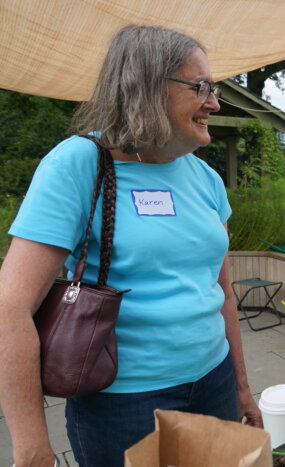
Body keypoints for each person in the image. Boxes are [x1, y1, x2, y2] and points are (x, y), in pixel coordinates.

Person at [0, 25, 262, 467]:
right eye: (201, 87)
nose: (214, 102)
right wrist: (31, 447)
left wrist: (239, 387)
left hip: (214, 379)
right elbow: (11, 307)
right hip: (124, 402)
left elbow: (224, 294)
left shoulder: (206, 178)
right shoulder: (79, 163)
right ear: (146, 85)